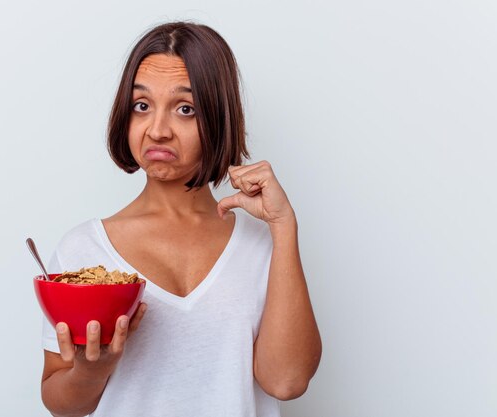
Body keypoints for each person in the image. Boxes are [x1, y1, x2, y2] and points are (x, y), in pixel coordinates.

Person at [39, 22, 322, 417]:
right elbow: (61, 404)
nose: (157, 130)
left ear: (217, 118)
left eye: (185, 109)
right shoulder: (83, 251)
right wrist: (91, 371)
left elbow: (286, 382)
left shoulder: (262, 244)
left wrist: (285, 226)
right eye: (142, 106)